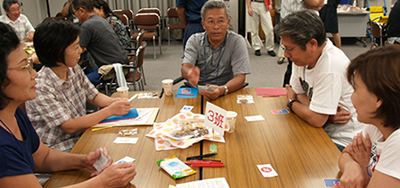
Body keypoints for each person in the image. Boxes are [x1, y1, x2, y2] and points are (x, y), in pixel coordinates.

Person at [0, 21, 136, 187]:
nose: (34, 74)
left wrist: (84, 161)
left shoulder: (14, 114)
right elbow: (68, 127)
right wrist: (102, 182)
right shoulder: (3, 147)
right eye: (24, 67)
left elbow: (43, 157)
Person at [25, 19, 131, 152]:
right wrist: (110, 110)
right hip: (58, 148)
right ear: (57, 52)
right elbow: (69, 126)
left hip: (82, 134)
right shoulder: (41, 86)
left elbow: (94, 96)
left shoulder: (73, 69)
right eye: (75, 47)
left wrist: (114, 102)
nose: (80, 50)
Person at [274, 10, 364, 151]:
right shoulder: (302, 59)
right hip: (324, 128)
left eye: (290, 49)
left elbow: (315, 118)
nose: (286, 54)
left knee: (291, 156)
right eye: (284, 48)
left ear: (312, 44)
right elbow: (299, 93)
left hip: (344, 141)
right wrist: (323, 115)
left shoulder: (330, 65)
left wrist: (292, 103)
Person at [338, 45, 400, 187]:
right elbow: (346, 153)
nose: (351, 98)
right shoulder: (377, 127)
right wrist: (352, 167)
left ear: (378, 99)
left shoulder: (398, 142)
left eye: (355, 89)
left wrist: (366, 171)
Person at [181, 0, 251, 100]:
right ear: (203, 24)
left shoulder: (237, 41)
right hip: (198, 91)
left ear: (228, 23)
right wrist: (189, 73)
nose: (216, 27)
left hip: (227, 90)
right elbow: (185, 68)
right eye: (211, 21)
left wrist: (222, 90)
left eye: (221, 21)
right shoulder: (194, 40)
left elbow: (240, 78)